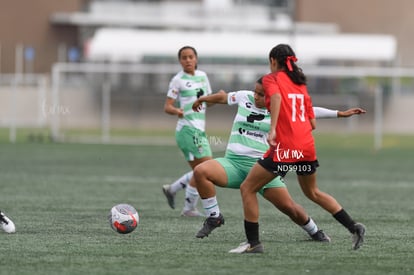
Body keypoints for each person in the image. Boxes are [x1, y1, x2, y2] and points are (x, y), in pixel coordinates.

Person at [190, 77, 365, 242]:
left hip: (262, 169)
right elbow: (223, 97)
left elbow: (311, 112)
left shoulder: (282, 108)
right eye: (256, 92)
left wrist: (340, 114)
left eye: (261, 94)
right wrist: (203, 99)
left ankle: (314, 231)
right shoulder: (245, 97)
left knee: (290, 208)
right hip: (233, 163)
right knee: (201, 171)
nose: (256, 97)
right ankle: (214, 217)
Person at [230, 44, 366, 254]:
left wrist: (274, 128)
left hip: (287, 147)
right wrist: (340, 114)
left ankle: (253, 243)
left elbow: (275, 98)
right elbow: (312, 123)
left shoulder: (271, 79)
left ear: (273, 61)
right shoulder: (300, 84)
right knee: (313, 192)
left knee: (247, 188)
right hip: (306, 147)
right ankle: (353, 226)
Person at [162, 45, 216, 217]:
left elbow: (208, 102)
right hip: (187, 130)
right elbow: (167, 107)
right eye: (184, 57)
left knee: (202, 169)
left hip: (199, 130)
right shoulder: (178, 80)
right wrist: (177, 111)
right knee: (207, 168)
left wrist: (220, 98)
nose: (188, 60)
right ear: (180, 61)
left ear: (196, 58)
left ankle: (174, 190)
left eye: (190, 57)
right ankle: (190, 208)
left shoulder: (203, 76)